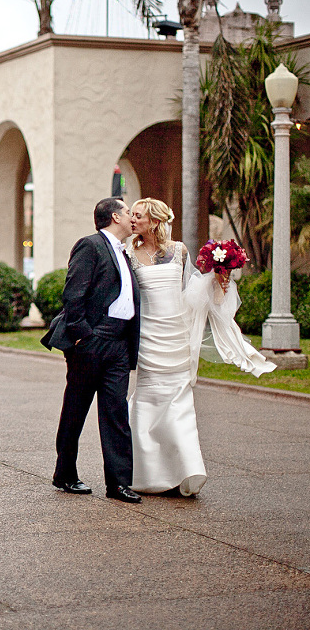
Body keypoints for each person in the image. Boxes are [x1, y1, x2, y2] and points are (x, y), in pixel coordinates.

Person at [126, 198, 275, 496]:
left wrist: (219, 280)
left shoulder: (179, 251)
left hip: (176, 336)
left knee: (179, 407)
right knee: (147, 401)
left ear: (154, 221)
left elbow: (190, 294)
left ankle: (187, 472)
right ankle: (146, 475)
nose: (132, 220)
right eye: (130, 215)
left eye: (137, 215)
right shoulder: (127, 251)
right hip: (147, 338)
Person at [41, 197, 141, 504]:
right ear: (114, 216)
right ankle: (65, 474)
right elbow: (74, 293)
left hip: (119, 344)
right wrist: (83, 336)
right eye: (127, 212)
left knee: (116, 413)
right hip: (92, 341)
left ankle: (119, 483)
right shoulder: (90, 245)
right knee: (76, 409)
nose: (132, 217)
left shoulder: (125, 252)